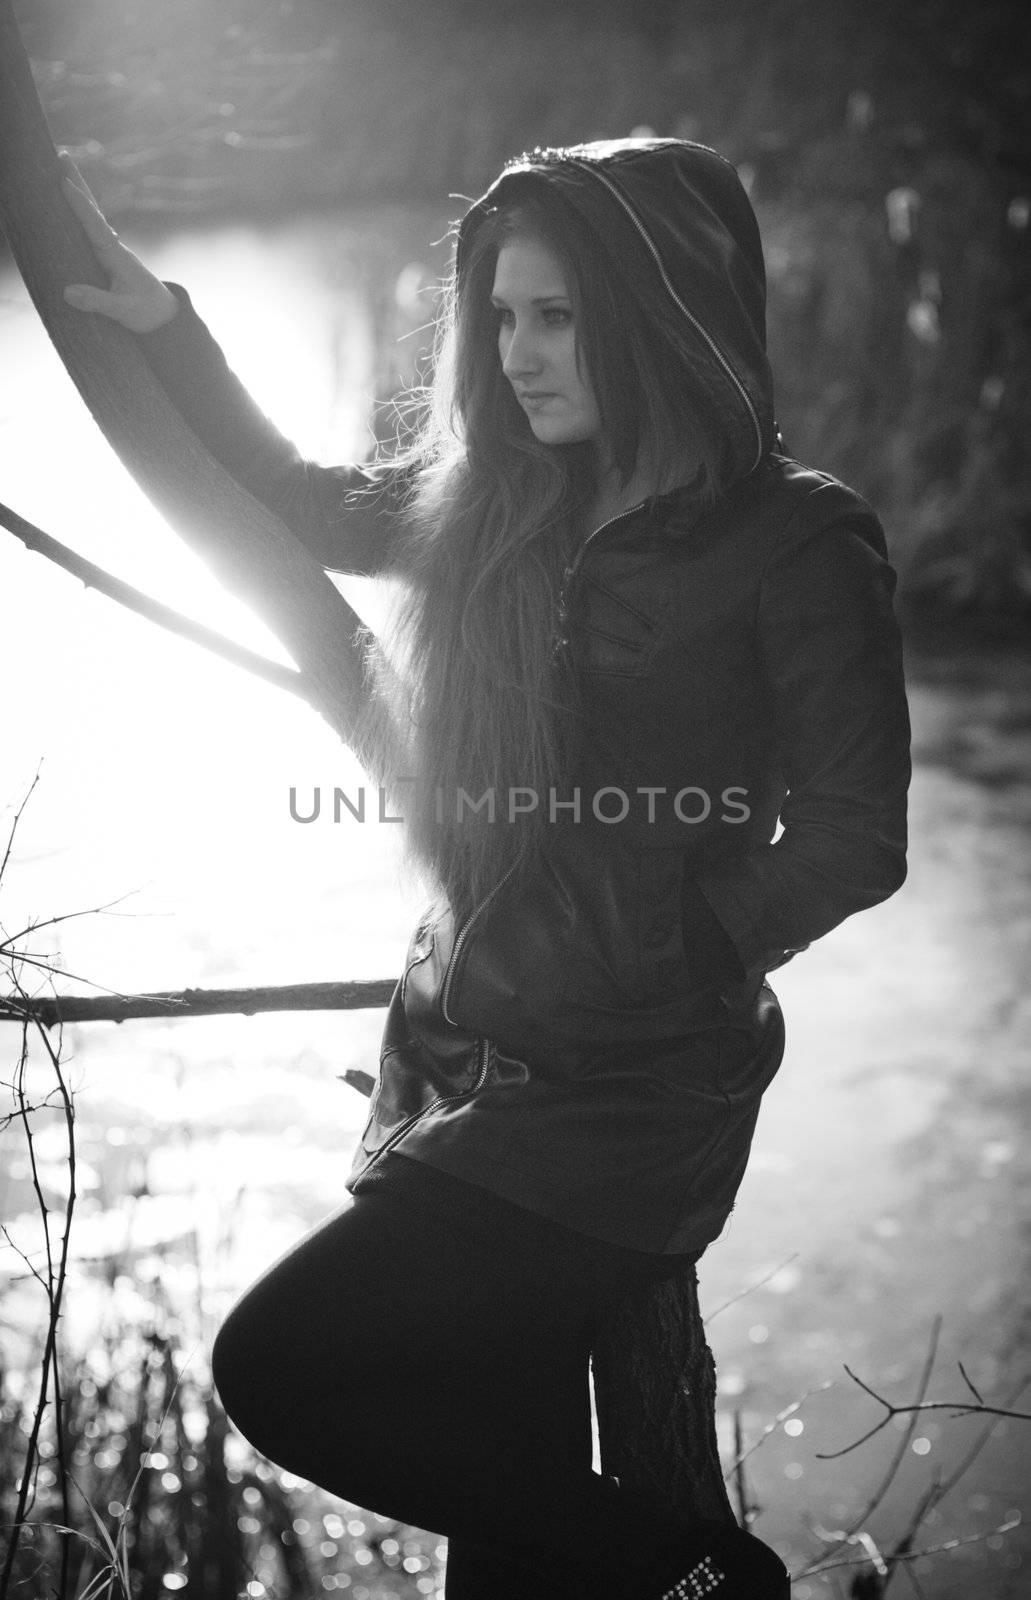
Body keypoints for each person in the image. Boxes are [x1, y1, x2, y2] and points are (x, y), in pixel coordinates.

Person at [60, 136, 911, 1599]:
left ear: (658, 310)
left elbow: (858, 833)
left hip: (629, 1093)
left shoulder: (797, 541)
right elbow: (300, 495)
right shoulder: (508, 506)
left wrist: (680, 939)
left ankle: (699, 1574)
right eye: (504, 317)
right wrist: (168, 327)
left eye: (559, 316)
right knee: (494, 1518)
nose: (518, 355)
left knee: (276, 1366)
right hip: (460, 1053)